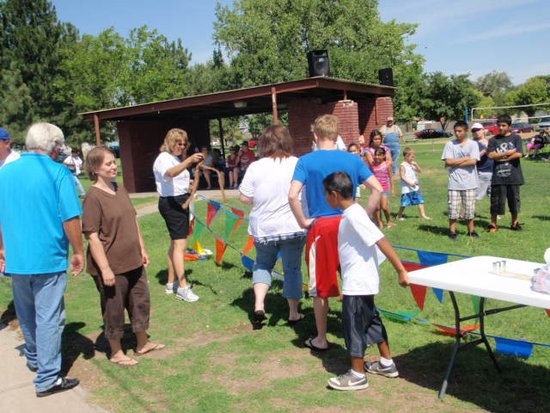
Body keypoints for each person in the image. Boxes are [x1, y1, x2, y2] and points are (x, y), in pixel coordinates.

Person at [0, 122, 83, 397]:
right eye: (59, 146)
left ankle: (36, 357)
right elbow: (70, 217)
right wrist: (79, 251)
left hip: (17, 257)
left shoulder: (6, 173)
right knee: (49, 317)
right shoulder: (58, 172)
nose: (61, 150)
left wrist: (2, 248)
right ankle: (48, 378)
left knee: (26, 312)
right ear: (54, 146)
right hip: (47, 255)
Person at [289, 114, 383, 352]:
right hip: (348, 223)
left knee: (321, 285)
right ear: (337, 135)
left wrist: (302, 221)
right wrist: (363, 216)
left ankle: (321, 338)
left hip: (321, 227)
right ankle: (368, 332)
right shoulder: (352, 159)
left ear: (315, 136)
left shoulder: (305, 161)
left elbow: (292, 195)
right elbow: (377, 188)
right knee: (356, 277)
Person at [322, 172, 409, 391]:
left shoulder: (354, 215)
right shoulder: (352, 213)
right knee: (371, 321)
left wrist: (401, 269)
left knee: (354, 327)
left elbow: (380, 239)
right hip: (361, 280)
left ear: (334, 194)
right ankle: (387, 363)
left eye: (326, 194)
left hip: (358, 283)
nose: (325, 198)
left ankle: (357, 374)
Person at [83, 147, 165, 366]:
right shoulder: (92, 197)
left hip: (133, 259)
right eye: (108, 163)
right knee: (114, 308)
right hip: (112, 265)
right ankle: (116, 352)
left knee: (140, 301)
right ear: (94, 168)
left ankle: (142, 343)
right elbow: (92, 236)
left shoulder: (120, 188)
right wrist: (105, 268)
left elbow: (133, 220)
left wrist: (142, 249)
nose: (113, 166)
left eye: (113, 162)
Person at [239, 125, 307, 327]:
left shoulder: (255, 167)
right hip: (293, 226)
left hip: (264, 229)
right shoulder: (298, 163)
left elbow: (244, 197)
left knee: (262, 264)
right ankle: (293, 312)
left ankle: (259, 305)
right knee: (292, 269)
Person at [153, 128, 204, 301]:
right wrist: (189, 160)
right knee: (180, 246)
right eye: (178, 143)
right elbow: (170, 173)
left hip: (179, 200)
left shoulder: (174, 159)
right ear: (170, 142)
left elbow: (176, 177)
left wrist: (190, 184)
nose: (182, 147)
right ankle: (183, 288)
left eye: (184, 144)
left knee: (175, 244)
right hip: (172, 203)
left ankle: (171, 283)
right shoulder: (164, 159)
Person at [441, 120, 480, 240]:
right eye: (455, 131)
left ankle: (471, 231)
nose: (457, 134)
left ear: (466, 131)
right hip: (454, 183)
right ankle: (452, 232)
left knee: (469, 210)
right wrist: (465, 159)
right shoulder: (450, 144)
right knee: (453, 209)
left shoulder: (473, 144)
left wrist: (455, 162)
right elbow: (448, 161)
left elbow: (473, 161)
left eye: (460, 131)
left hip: (469, 183)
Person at [486, 114, 525, 232]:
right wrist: (508, 153)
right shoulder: (493, 140)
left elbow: (519, 154)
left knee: (514, 200)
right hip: (498, 177)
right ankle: (493, 224)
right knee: (496, 201)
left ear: (509, 126)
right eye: (499, 125)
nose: (501, 128)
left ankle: (515, 223)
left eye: (504, 125)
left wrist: (503, 159)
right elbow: (491, 155)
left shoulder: (516, 138)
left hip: (514, 176)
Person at [396, 147, 431, 221]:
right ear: (406, 156)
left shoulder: (411, 164)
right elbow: (402, 176)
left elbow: (420, 171)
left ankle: (423, 215)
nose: (413, 157)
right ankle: (399, 216)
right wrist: (410, 183)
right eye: (412, 156)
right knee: (404, 203)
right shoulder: (403, 165)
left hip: (415, 187)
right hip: (407, 188)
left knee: (420, 200)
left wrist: (416, 164)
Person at [370, 148, 396, 229]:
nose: (377, 157)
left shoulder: (387, 165)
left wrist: (393, 189)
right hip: (375, 188)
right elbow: (371, 176)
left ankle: (389, 221)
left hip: (384, 188)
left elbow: (391, 177)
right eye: (376, 155)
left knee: (384, 206)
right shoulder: (373, 164)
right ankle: (380, 222)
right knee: (377, 207)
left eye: (379, 155)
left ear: (383, 156)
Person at [471, 122, 493, 202]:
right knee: (476, 195)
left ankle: (495, 214)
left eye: (478, 130)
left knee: (494, 195)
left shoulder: (489, 141)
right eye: (474, 131)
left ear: (483, 130)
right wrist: (485, 150)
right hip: (481, 171)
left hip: (493, 170)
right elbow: (474, 158)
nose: (476, 132)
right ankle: (466, 212)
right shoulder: (473, 144)